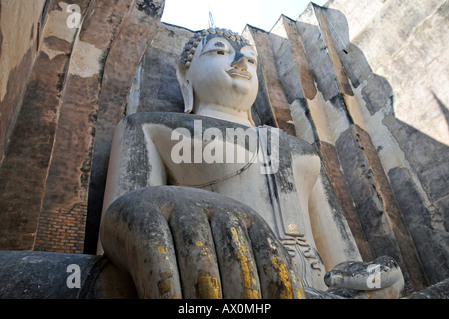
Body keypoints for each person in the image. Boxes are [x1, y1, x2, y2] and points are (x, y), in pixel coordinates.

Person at [99, 28, 403, 298]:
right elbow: (115, 247)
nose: (241, 64)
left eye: (251, 60)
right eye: (219, 52)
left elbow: (342, 264)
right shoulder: (150, 128)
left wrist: (372, 277)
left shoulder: (302, 151)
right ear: (185, 74)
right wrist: (159, 209)